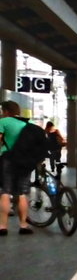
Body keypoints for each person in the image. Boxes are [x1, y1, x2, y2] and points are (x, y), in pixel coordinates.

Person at [0, 100, 35, 235]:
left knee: (5, 192)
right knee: (21, 193)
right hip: (24, 161)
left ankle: (3, 226)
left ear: (6, 111)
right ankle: (23, 225)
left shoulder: (3, 122)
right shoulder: (28, 124)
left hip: (8, 159)